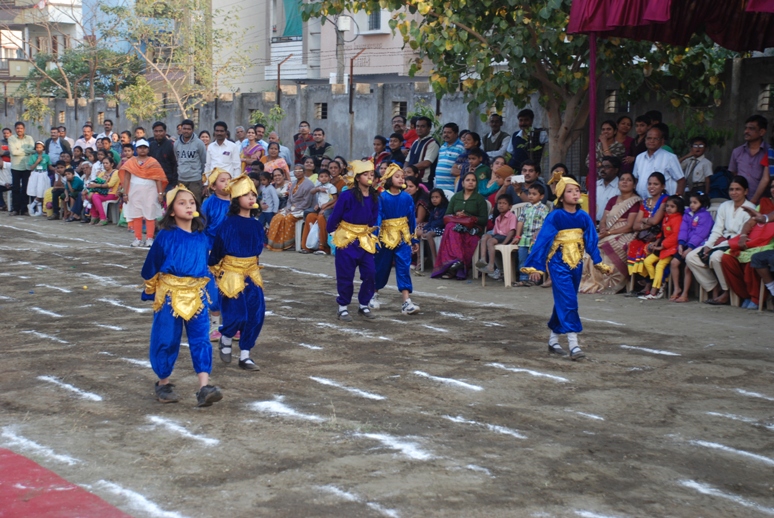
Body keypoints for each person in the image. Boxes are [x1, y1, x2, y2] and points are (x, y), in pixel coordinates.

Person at [141, 184, 223, 407]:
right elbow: (151, 266)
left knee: (201, 340)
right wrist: (150, 291)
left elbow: (207, 267)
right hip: (169, 295)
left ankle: (204, 386)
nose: (188, 206)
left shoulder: (201, 237)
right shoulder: (165, 237)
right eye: (182, 203)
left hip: (196, 295)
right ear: (171, 210)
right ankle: (163, 383)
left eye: (191, 202)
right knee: (166, 338)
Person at [521, 177, 611, 360]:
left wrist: (597, 261)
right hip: (558, 264)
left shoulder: (583, 216)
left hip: (576, 264)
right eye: (570, 191)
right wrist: (536, 267)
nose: (575, 194)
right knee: (569, 300)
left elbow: (592, 241)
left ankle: (553, 341)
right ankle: (574, 345)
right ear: (561, 196)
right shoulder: (555, 216)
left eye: (577, 190)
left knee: (564, 299)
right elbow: (543, 241)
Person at [208, 175, 266, 371]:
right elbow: (217, 251)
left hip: (252, 273)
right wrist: (215, 271)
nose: (251, 198)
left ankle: (245, 354)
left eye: (253, 195)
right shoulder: (227, 224)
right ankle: (226, 335)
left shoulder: (257, 225)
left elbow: (257, 252)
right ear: (235, 199)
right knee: (237, 314)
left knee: (256, 314)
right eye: (246, 194)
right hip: (231, 274)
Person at [686, 176, 755, 305]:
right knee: (691, 257)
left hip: (735, 243)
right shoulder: (725, 205)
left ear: (746, 191)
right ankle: (714, 286)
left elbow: (743, 233)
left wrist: (720, 243)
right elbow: (717, 229)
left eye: (738, 189)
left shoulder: (751, 208)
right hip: (720, 240)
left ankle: (726, 291)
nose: (734, 192)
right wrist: (708, 245)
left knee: (716, 257)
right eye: (731, 189)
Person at [327, 160, 380, 322]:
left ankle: (364, 304)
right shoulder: (346, 196)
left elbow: (372, 219)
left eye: (371, 174)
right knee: (346, 274)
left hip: (364, 239)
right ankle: (342, 307)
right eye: (365, 174)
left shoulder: (374, 196)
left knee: (370, 272)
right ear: (357, 178)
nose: (369, 177)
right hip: (347, 239)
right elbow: (335, 216)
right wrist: (332, 233)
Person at [579, 171, 642, 294]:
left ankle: (606, 283)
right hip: (608, 231)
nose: (624, 182)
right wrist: (603, 229)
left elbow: (629, 226)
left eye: (628, 180)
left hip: (624, 233)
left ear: (634, 185)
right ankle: (591, 280)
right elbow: (603, 219)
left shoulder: (635, 202)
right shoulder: (613, 200)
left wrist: (608, 233)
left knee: (605, 246)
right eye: (622, 179)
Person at [370, 165, 420, 313]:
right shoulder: (381, 197)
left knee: (404, 266)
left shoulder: (407, 197)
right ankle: (373, 294)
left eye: (402, 177)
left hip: (403, 237)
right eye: (397, 176)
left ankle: (406, 301)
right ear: (389, 178)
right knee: (381, 267)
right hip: (385, 236)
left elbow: (411, 218)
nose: (401, 179)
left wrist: (413, 238)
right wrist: (375, 237)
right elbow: (378, 218)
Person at [720, 178, 774, 309]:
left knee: (752, 260)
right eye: (772, 187)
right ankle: (745, 295)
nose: (773, 189)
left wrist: (764, 218)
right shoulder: (765, 203)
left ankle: (756, 298)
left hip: (769, 243)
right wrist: (743, 236)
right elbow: (750, 222)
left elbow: (765, 218)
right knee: (727, 258)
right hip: (755, 240)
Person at [431, 171, 489, 280]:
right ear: (462, 183)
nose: (470, 182)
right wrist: (457, 216)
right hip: (456, 228)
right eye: (468, 180)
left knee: (451, 230)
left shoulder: (479, 199)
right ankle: (457, 262)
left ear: (476, 183)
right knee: (451, 227)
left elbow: (484, 220)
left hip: (471, 230)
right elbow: (447, 215)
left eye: (473, 180)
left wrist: (468, 217)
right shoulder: (456, 197)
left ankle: (454, 265)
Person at [201, 168, 232, 341]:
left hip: (232, 252)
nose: (226, 183)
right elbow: (202, 228)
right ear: (213, 186)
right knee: (213, 289)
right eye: (222, 180)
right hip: (212, 250)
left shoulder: (236, 202)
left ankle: (230, 324)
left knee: (232, 287)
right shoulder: (209, 203)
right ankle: (214, 325)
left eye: (229, 179)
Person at [119, 139, 168, 247]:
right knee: (137, 215)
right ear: (136, 149)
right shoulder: (131, 162)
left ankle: (149, 238)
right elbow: (126, 179)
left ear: (148, 149)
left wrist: (160, 194)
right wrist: (125, 193)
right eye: (140, 147)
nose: (142, 149)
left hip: (151, 192)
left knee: (150, 215)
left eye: (144, 147)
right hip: (134, 192)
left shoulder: (153, 162)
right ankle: (138, 238)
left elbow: (158, 178)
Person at [626, 172, 669, 293]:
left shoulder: (665, 200)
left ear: (663, 186)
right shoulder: (645, 202)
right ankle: (645, 280)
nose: (652, 186)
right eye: (649, 184)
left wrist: (644, 222)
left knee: (646, 249)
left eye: (656, 184)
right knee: (633, 245)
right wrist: (647, 222)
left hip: (659, 237)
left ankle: (649, 284)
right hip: (645, 236)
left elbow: (655, 221)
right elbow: (635, 225)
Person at [639, 196, 685, 299]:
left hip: (672, 249)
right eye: (667, 206)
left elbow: (675, 236)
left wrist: (662, 246)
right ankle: (654, 280)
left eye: (672, 206)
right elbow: (663, 232)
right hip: (663, 247)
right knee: (647, 261)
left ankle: (654, 291)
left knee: (660, 266)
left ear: (679, 208)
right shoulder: (666, 217)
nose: (669, 208)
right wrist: (657, 241)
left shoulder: (678, 219)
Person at [671, 190, 714, 302]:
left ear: (702, 203)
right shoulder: (687, 214)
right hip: (686, 244)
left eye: (695, 202)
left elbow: (701, 234)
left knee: (688, 267)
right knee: (674, 263)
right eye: (691, 202)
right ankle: (677, 288)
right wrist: (681, 244)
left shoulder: (705, 216)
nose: (692, 205)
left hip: (698, 246)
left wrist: (690, 248)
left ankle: (685, 294)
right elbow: (683, 230)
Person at [265, 163, 316, 251]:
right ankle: (276, 244)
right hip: (291, 207)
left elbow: (307, 202)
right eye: (296, 171)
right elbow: (289, 199)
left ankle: (289, 244)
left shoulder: (309, 184)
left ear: (304, 172)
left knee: (288, 218)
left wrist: (294, 209)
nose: (298, 173)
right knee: (277, 217)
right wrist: (288, 208)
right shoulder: (294, 183)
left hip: (302, 208)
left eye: (300, 171)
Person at [632, 126, 685, 199]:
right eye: (649, 138)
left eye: (655, 139)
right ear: (645, 140)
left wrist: (677, 200)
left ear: (662, 140)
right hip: (642, 202)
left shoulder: (670, 157)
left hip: (663, 203)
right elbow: (636, 179)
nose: (651, 141)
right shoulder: (639, 157)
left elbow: (681, 180)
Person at [728, 115, 770, 204]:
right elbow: (735, 174)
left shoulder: (770, 153)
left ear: (762, 132)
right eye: (746, 128)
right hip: (740, 201)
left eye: (751, 128)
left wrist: (753, 201)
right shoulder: (737, 152)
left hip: (763, 202)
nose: (746, 131)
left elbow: (766, 179)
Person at [476, 194, 516, 279]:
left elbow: (512, 232)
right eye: (499, 203)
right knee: (484, 236)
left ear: (510, 206)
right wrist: (488, 236)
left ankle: (491, 266)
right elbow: (495, 232)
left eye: (504, 203)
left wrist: (504, 243)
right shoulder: (498, 218)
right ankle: (483, 259)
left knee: (490, 242)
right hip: (498, 236)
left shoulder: (512, 217)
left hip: (507, 237)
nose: (501, 205)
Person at [300, 168, 337, 254]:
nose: (324, 178)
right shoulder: (319, 186)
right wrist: (318, 189)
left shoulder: (331, 187)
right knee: (309, 215)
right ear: (318, 178)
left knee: (321, 218)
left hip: (329, 208)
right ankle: (307, 246)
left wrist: (326, 207)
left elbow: (335, 200)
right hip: (320, 208)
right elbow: (312, 192)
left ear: (329, 178)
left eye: (326, 176)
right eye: (321, 176)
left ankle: (323, 246)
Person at [174, 119, 207, 204]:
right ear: (181, 129)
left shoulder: (199, 143)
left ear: (192, 130)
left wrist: (202, 178)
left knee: (195, 203)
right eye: (184, 129)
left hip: (195, 179)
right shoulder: (176, 144)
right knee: (182, 203)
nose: (186, 131)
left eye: (189, 129)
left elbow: (203, 161)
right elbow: (177, 159)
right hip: (181, 179)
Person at [417, 188, 448, 267]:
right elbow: (430, 221)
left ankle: (435, 261)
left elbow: (441, 222)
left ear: (442, 198)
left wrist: (428, 230)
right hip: (433, 228)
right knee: (418, 231)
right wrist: (425, 229)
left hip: (442, 229)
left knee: (429, 234)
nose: (434, 199)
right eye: (432, 197)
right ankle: (420, 260)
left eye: (437, 197)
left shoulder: (444, 209)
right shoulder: (434, 209)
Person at [8, 121, 35, 216]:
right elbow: (13, 152)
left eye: (21, 128)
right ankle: (15, 209)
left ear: (24, 129)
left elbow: (33, 150)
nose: (19, 130)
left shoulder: (29, 138)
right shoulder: (11, 138)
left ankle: (24, 209)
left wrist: (20, 150)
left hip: (27, 167)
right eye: (17, 128)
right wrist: (26, 151)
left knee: (25, 189)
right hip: (16, 167)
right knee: (15, 188)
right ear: (15, 129)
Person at [406, 117, 439, 187]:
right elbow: (407, 160)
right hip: (410, 181)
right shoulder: (415, 142)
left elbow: (426, 163)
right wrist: (404, 171)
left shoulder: (432, 143)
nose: (419, 129)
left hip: (424, 182)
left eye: (422, 126)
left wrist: (409, 170)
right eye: (417, 126)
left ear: (429, 128)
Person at [89, 156, 121, 226]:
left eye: (107, 163)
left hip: (112, 194)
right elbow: (96, 181)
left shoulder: (116, 172)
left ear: (112, 164)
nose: (105, 165)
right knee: (89, 195)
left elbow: (110, 184)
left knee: (95, 196)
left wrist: (97, 185)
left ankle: (103, 218)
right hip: (103, 193)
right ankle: (95, 216)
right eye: (103, 163)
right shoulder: (103, 173)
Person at [435, 123, 464, 192]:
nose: (446, 135)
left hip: (453, 189)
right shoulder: (442, 147)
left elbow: (463, 167)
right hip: (439, 188)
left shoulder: (461, 147)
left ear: (456, 134)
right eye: (444, 132)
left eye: (449, 133)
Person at [149, 121, 177, 188]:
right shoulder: (152, 145)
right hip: (154, 181)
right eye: (156, 131)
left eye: (160, 131)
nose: (158, 133)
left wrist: (174, 183)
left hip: (169, 182)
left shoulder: (171, 145)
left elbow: (175, 165)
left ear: (165, 132)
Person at [25, 141, 50, 216]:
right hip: (36, 173)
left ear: (43, 148)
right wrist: (37, 161)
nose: (38, 149)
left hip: (43, 173)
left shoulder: (46, 156)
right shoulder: (33, 156)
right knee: (37, 191)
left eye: (40, 147)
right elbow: (31, 167)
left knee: (42, 191)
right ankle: (38, 210)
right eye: (37, 147)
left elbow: (49, 165)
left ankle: (32, 205)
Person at [595, 156, 622, 222]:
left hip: (611, 226)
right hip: (592, 224)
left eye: (607, 167)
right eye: (601, 167)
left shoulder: (620, 187)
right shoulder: (595, 185)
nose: (602, 170)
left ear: (616, 170)